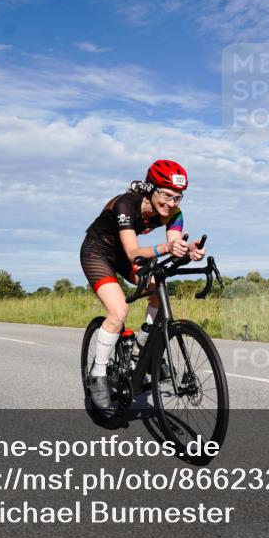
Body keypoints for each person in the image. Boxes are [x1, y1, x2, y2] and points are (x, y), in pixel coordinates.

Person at [80, 159, 205, 409]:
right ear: (151, 189)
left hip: (128, 255)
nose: (171, 204)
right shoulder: (125, 204)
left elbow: (174, 244)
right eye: (166, 195)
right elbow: (133, 252)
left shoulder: (174, 213)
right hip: (98, 252)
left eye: (177, 198)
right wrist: (166, 247)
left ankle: (141, 348)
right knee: (118, 311)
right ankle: (98, 373)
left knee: (159, 288)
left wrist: (187, 249)